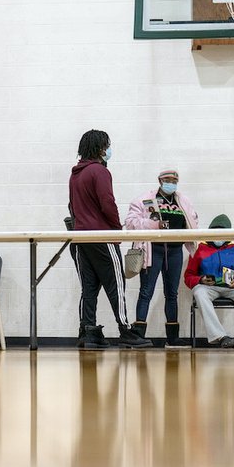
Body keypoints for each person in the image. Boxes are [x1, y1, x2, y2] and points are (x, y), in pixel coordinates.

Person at [68, 130, 151, 349]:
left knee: (89, 288)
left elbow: (73, 206)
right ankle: (125, 330)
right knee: (117, 283)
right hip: (102, 235)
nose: (108, 150)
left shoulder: (75, 174)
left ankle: (87, 331)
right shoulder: (99, 171)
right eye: (106, 145)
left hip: (80, 237)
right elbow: (107, 203)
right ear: (99, 148)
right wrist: (115, 228)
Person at [125, 169, 199, 347]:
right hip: (153, 249)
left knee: (172, 293)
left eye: (174, 180)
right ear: (159, 180)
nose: (170, 183)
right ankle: (138, 335)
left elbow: (194, 220)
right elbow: (130, 222)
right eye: (167, 180)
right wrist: (152, 224)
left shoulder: (183, 201)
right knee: (146, 292)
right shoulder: (145, 199)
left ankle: (172, 338)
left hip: (175, 250)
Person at [184, 214, 234, 348]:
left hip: (231, 288)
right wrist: (201, 279)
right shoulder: (199, 249)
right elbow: (188, 276)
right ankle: (220, 336)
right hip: (209, 288)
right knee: (199, 292)